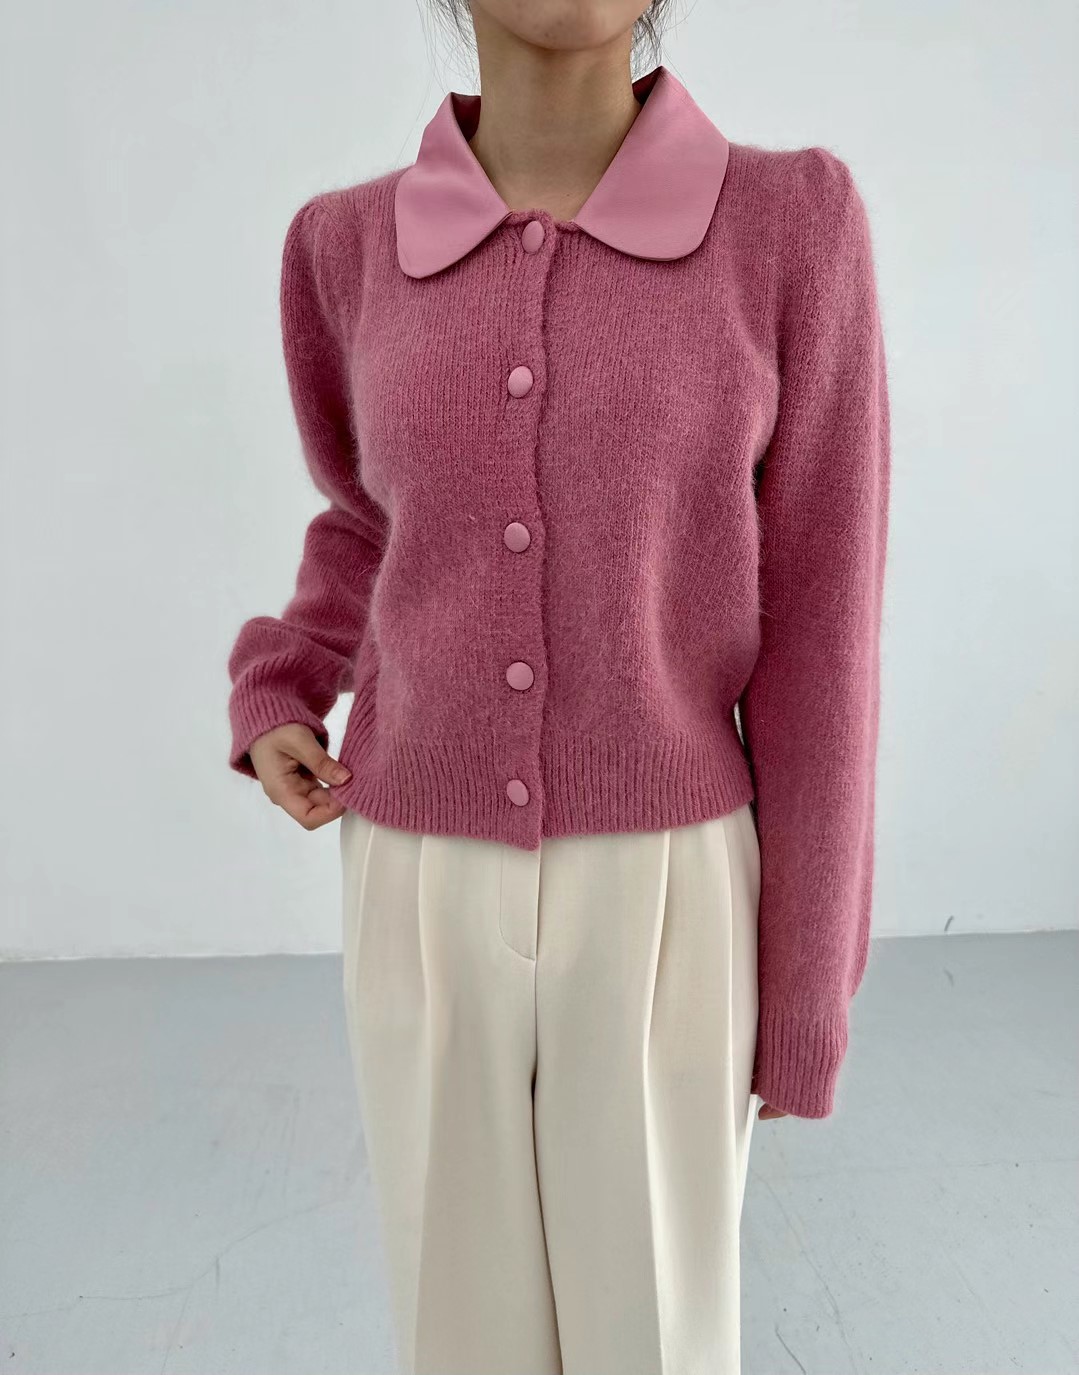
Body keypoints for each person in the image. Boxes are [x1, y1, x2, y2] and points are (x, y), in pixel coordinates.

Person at [225, 3, 891, 1371]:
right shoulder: (343, 246)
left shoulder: (790, 225)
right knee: (458, 1331)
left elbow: (827, 635)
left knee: (655, 1336)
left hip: (668, 885)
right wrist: (285, 678)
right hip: (416, 873)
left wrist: (808, 985)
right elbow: (367, 519)